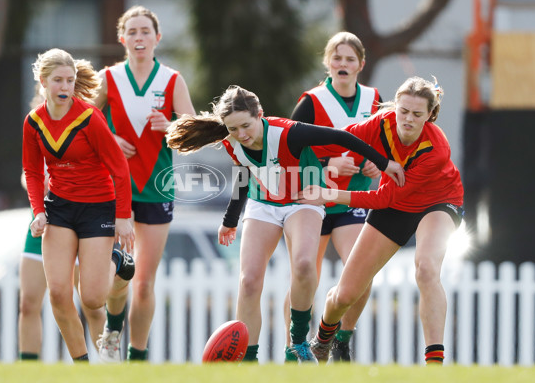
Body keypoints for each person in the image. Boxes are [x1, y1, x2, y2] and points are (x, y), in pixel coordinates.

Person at [165, 85, 404, 363]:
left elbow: (342, 137)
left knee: (304, 265)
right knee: (249, 280)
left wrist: (384, 163)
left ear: (260, 116)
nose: (241, 134)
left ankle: (298, 343)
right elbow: (245, 174)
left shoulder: (289, 132)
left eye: (246, 125)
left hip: (302, 200)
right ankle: (248, 359)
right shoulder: (232, 141)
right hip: (263, 203)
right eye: (233, 129)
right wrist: (230, 220)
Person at [299, 76, 464, 365]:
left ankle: (435, 366)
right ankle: (325, 339)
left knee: (426, 269)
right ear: (394, 107)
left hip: (438, 201)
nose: (408, 120)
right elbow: (338, 140)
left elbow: (383, 199)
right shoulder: (379, 124)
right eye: (403, 111)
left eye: (417, 114)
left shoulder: (436, 149)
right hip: (397, 203)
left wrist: (328, 193)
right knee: (345, 294)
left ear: (429, 115)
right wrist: (318, 160)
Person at [92, 5, 196, 362]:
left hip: (156, 187)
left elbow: (195, 129)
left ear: (157, 38)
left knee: (144, 280)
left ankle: (138, 358)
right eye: (132, 32)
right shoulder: (108, 78)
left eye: (145, 32)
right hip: (114, 188)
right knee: (116, 270)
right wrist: (108, 137)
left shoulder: (172, 80)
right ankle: (112, 327)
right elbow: (84, 122)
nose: (139, 38)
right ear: (122, 39)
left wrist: (171, 126)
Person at [22, 48, 135, 362]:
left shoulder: (89, 117)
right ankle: (84, 367)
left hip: (97, 208)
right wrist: (38, 212)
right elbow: (32, 170)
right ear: (43, 82)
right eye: (58, 80)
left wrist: (123, 216)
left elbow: (119, 168)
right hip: (59, 209)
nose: (65, 87)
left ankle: (118, 261)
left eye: (70, 81)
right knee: (58, 293)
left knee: (93, 299)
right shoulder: (33, 122)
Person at [285, 31, 382, 362]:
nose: (343, 64)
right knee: (303, 277)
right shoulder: (311, 101)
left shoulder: (373, 99)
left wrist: (374, 161)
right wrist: (327, 162)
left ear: (361, 64)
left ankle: (341, 338)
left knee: (362, 270)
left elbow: (383, 141)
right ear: (327, 63)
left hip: (351, 199)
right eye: (337, 58)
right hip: (311, 199)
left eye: (349, 59)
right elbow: (285, 149)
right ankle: (294, 349)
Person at [18, 169, 106, 360]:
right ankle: (27, 372)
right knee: (27, 304)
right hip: (42, 224)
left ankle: (113, 368)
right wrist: (34, 183)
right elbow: (27, 173)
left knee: (93, 307)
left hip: (77, 223)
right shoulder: (39, 138)